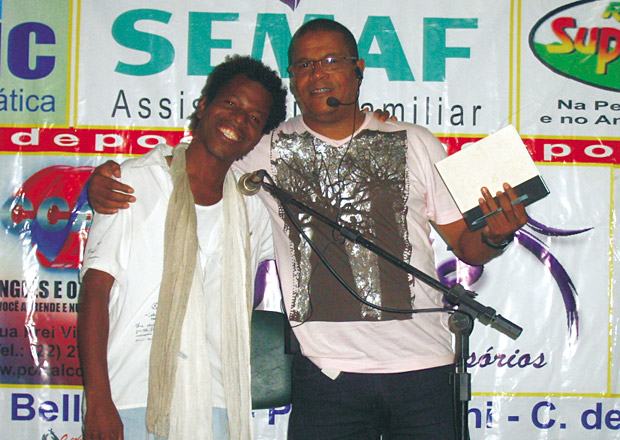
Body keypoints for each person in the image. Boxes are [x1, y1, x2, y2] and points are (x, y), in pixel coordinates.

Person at [87, 19, 527, 439]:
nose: (318, 73)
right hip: (326, 376)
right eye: (304, 64)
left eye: (331, 61)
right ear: (294, 79)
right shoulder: (260, 148)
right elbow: (196, 158)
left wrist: (497, 234)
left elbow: (467, 247)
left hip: (423, 366)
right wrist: (106, 179)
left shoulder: (415, 140)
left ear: (358, 70)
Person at [78, 55, 287, 440]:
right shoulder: (134, 183)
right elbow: (94, 293)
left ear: (259, 136)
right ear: (204, 105)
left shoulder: (252, 207)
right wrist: (99, 400)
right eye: (231, 103)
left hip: (216, 401)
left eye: (254, 118)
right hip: (131, 396)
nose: (239, 120)